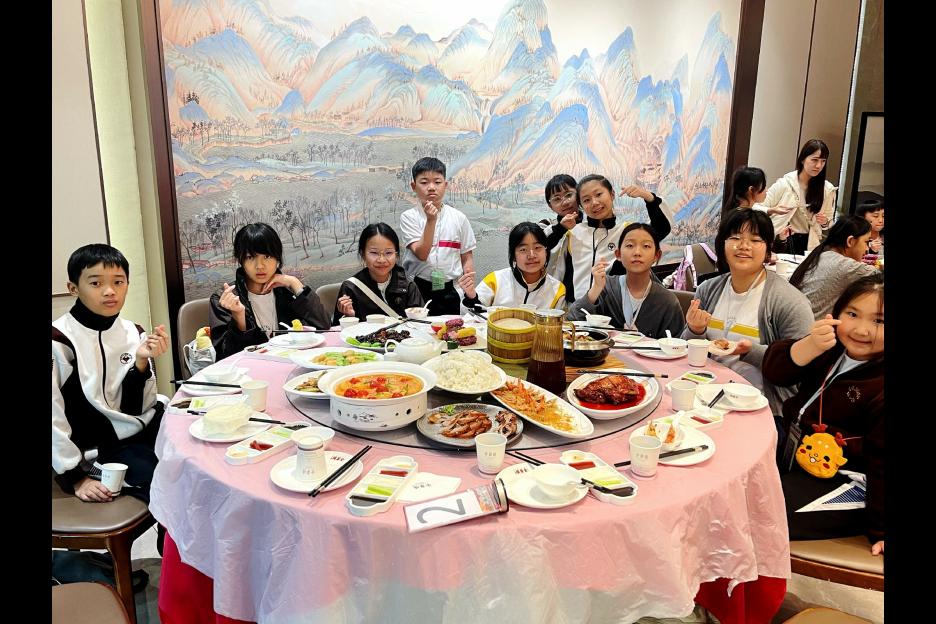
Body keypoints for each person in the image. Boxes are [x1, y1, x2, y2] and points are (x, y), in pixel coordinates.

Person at [762, 274, 884, 555]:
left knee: (764, 513)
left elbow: (882, 461)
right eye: (852, 314)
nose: (861, 330)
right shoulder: (830, 348)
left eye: (879, 321)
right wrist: (810, 346)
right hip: (801, 453)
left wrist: (882, 529)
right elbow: (775, 372)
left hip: (849, 478)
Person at [52, 244, 170, 504]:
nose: (110, 291)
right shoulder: (59, 340)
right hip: (97, 448)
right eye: (96, 283)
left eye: (118, 282)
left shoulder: (133, 331)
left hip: (139, 430)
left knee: (195, 454)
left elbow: (134, 408)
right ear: (73, 288)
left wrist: (141, 363)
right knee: (167, 483)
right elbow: (52, 416)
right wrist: (76, 477)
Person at [682, 209, 814, 416]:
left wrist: (751, 352)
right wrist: (695, 330)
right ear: (722, 244)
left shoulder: (789, 302)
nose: (744, 246)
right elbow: (686, 351)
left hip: (760, 408)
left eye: (755, 240)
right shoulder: (707, 290)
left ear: (768, 249)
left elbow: (797, 368)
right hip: (706, 398)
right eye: (735, 238)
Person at [209, 223, 330, 359]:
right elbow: (227, 357)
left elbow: (323, 327)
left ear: (277, 258)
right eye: (250, 257)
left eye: (267, 256)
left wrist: (295, 283)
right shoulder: (225, 299)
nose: (260, 266)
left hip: (292, 363)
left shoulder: (287, 291)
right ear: (240, 260)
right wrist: (239, 318)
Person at [565, 174, 673, 302]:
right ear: (581, 206)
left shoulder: (627, 232)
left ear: (612, 194)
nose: (594, 202)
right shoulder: (573, 233)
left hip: (614, 306)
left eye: (598, 194)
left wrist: (648, 197)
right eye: (586, 200)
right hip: (579, 306)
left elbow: (662, 228)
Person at [569, 223, 684, 337]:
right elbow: (572, 321)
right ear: (618, 254)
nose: (637, 252)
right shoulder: (607, 288)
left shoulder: (667, 301)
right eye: (630, 245)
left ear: (656, 256)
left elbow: (677, 344)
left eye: (646, 246)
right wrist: (596, 289)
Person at [400, 157, 477, 315]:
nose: (431, 187)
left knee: (451, 327)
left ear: (445, 185)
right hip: (418, 287)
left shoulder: (459, 218)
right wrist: (431, 220)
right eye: (424, 182)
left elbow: (466, 255)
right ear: (414, 186)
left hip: (450, 289)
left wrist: (468, 283)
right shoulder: (409, 217)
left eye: (437, 182)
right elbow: (422, 254)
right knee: (419, 328)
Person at [753, 139, 837, 255]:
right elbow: (756, 207)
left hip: (810, 243)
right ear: (803, 159)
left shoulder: (827, 189)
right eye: (814, 160)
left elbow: (828, 222)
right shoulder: (785, 184)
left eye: (823, 161)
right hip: (783, 240)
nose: (818, 165)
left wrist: (824, 222)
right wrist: (772, 210)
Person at [459, 222, 566, 310]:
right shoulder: (495, 280)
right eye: (523, 249)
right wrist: (471, 297)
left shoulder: (557, 289)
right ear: (513, 256)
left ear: (546, 252)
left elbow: (560, 325)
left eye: (537, 248)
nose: (532, 255)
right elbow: (469, 315)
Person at [788, 216, 878, 318]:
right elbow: (879, 277)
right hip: (811, 326)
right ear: (850, 241)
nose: (867, 249)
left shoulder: (822, 253)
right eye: (866, 242)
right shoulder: (845, 265)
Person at [334, 223, 424, 323]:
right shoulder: (351, 288)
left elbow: (421, 324)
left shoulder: (408, 285)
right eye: (374, 253)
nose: (382, 260)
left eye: (388, 253)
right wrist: (349, 317)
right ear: (363, 255)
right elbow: (336, 329)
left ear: (396, 255)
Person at [538, 174, 581, 303]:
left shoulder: (591, 227)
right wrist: (561, 228)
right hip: (550, 298)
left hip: (582, 298)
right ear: (550, 205)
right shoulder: (546, 225)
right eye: (557, 199)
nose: (565, 202)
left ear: (579, 194)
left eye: (569, 195)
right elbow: (539, 245)